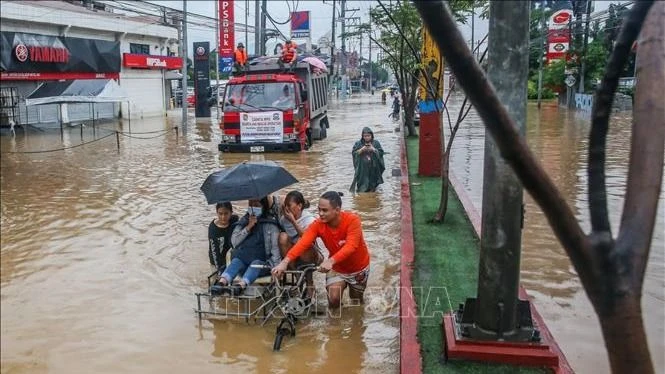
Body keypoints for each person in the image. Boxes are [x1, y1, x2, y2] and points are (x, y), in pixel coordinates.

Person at [272, 191, 371, 309]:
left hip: (358, 268)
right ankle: (335, 325)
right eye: (319, 209)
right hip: (337, 268)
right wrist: (285, 262)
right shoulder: (318, 224)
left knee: (356, 302)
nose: (320, 213)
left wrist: (331, 261)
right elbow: (303, 242)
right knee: (333, 300)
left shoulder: (353, 220)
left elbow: (351, 246)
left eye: (324, 210)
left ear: (337, 210)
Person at [217, 196, 282, 296]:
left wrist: (276, 269)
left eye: (256, 205)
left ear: (263, 206)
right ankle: (221, 284)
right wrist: (248, 227)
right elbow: (234, 242)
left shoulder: (271, 225)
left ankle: (240, 286)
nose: (252, 208)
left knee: (255, 264)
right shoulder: (244, 221)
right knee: (236, 261)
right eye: (250, 205)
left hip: (262, 264)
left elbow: (275, 250)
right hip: (243, 260)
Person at [278, 191, 324, 298]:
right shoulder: (283, 220)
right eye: (286, 206)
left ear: (299, 206)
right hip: (292, 257)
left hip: (310, 254)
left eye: (289, 205)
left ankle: (309, 283)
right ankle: (297, 276)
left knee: (301, 242)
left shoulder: (309, 219)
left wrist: (293, 221)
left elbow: (306, 238)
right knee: (282, 237)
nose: (287, 209)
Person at [350, 127, 385, 193]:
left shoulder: (376, 143)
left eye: (368, 136)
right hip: (362, 170)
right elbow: (354, 154)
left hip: (373, 168)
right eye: (365, 136)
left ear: (371, 136)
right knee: (361, 187)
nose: (366, 137)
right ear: (362, 136)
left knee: (373, 186)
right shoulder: (358, 143)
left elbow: (381, 153)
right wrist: (361, 150)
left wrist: (374, 149)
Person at [208, 202, 239, 274]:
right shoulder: (213, 229)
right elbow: (214, 251)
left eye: (226, 213)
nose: (223, 217)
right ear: (217, 213)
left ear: (231, 213)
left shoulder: (234, 220)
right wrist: (219, 270)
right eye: (220, 214)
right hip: (217, 260)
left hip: (231, 257)